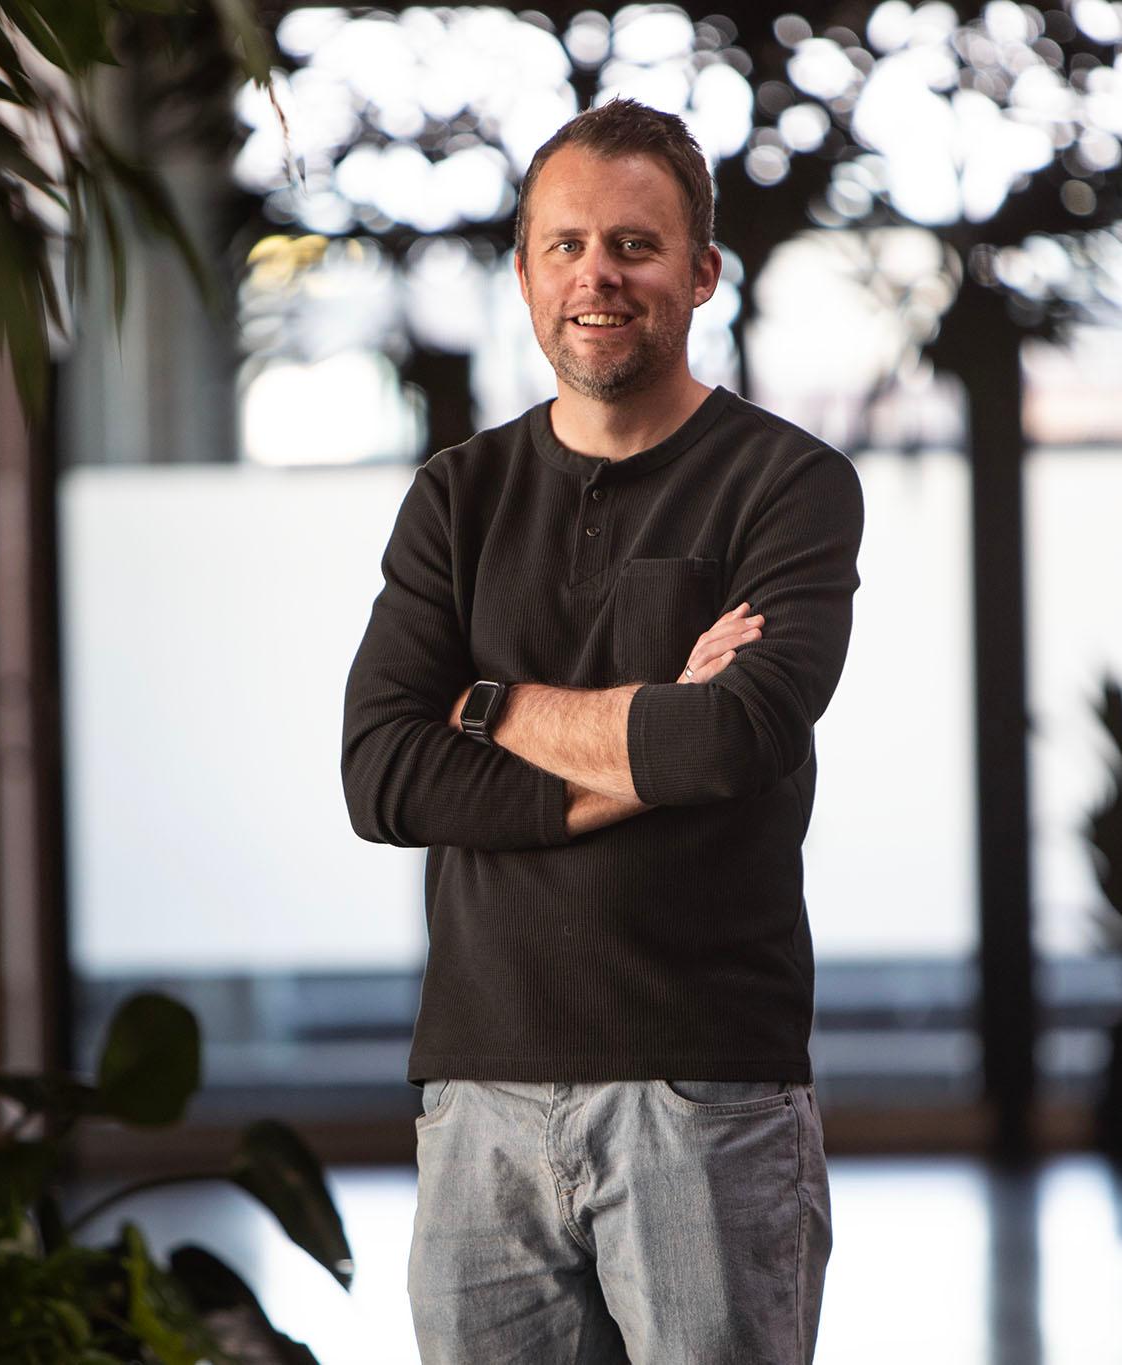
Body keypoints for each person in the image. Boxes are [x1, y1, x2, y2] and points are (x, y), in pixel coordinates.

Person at [339, 99, 864, 1364]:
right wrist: (643, 741)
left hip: (707, 1089)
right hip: (476, 1091)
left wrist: (489, 704)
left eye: (633, 245)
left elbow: (734, 740)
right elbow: (382, 774)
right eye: (564, 246)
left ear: (698, 272)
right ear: (523, 273)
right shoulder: (455, 500)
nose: (597, 276)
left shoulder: (784, 485)